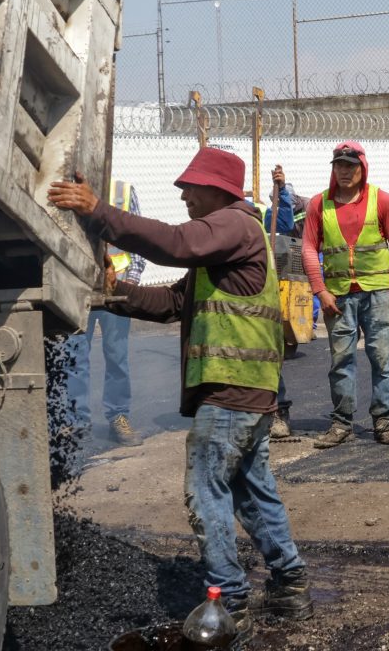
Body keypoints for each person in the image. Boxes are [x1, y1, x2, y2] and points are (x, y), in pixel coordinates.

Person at [47, 147, 314, 630]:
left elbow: (173, 243)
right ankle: (290, 585)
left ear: (219, 190)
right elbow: (175, 302)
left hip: (232, 391)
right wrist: (115, 293)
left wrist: (98, 212)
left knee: (204, 491)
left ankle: (229, 601)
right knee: (252, 492)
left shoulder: (235, 224)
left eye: (192, 187)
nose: (185, 195)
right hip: (248, 392)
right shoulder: (224, 244)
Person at [302, 141, 389, 448]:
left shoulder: (382, 201)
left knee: (382, 358)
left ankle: (384, 421)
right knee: (341, 361)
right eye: (340, 165)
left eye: (351, 166)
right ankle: (342, 423)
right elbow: (309, 248)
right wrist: (319, 290)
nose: (345, 171)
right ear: (333, 169)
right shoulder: (318, 205)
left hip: (378, 294)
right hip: (337, 298)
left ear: (362, 168)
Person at [65, 179, 146, 446]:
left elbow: (136, 237)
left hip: (115, 287)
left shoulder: (121, 190)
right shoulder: (68, 186)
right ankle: (77, 425)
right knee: (75, 358)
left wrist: (130, 281)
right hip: (78, 286)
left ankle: (118, 417)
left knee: (117, 357)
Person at [264, 164, 309, 439]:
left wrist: (281, 189)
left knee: (268, 357)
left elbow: (282, 224)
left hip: (266, 291)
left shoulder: (260, 211)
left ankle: (278, 411)